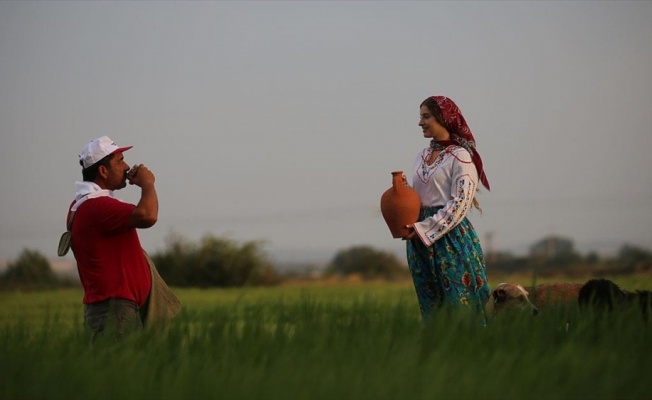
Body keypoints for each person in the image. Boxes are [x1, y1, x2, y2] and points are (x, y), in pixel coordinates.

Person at [404, 96, 491, 322]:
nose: (420, 122)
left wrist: (425, 229)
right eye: (420, 116)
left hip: (450, 239)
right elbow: (418, 197)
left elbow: (460, 203)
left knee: (460, 304)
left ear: (443, 118)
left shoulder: (460, 157)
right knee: (431, 306)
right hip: (419, 239)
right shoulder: (421, 156)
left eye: (426, 116)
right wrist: (402, 193)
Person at [66, 135, 159, 343]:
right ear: (103, 171)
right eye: (119, 161)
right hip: (115, 313)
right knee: (126, 373)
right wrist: (148, 184)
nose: (126, 167)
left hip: (113, 311)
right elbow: (148, 215)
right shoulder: (97, 206)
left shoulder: (82, 204)